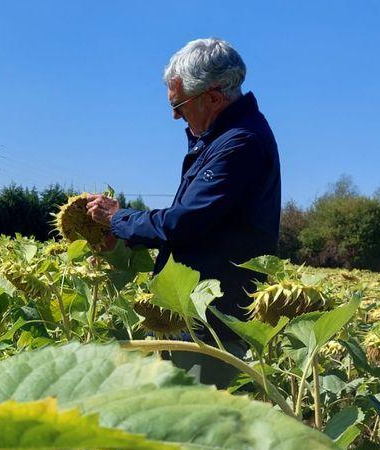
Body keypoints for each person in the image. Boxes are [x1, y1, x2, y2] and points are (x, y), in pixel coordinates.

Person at [87, 37, 280, 335]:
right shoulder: (222, 140)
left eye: (179, 105)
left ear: (213, 98)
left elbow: (183, 223)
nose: (175, 115)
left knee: (195, 382)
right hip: (193, 313)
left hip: (212, 321)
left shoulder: (239, 143)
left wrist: (119, 217)